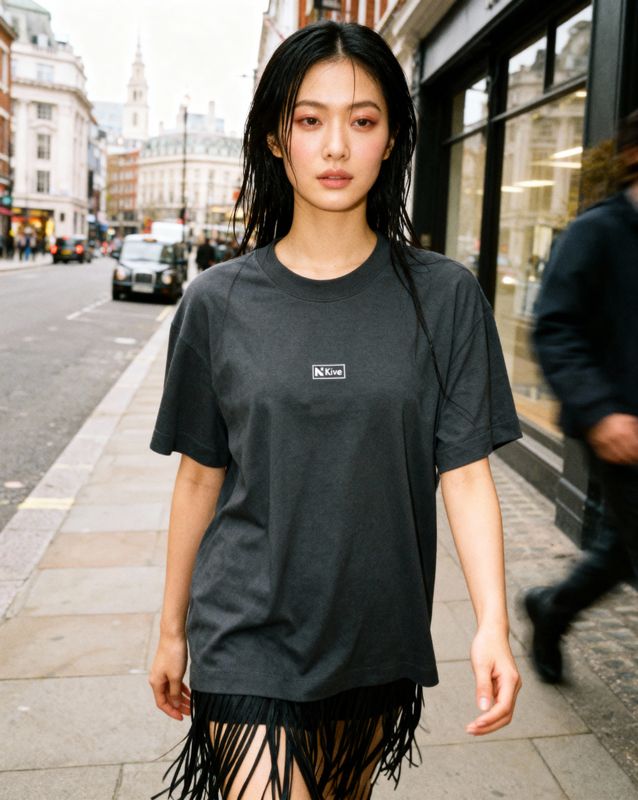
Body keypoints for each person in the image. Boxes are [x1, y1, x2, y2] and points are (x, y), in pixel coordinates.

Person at [148, 21, 522, 800]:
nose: (335, 146)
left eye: (363, 120)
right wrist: (170, 629)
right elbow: (197, 479)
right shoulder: (217, 302)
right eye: (310, 119)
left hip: (374, 638)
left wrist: (493, 621)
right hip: (245, 630)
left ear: (391, 140)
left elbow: (465, 475)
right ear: (277, 139)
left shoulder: (445, 297)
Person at [524, 109, 638, 684]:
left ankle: (553, 607)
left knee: (622, 548)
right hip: (621, 431)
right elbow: (554, 327)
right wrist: (601, 412)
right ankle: (553, 609)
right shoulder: (597, 232)